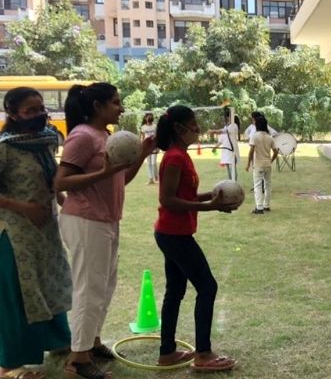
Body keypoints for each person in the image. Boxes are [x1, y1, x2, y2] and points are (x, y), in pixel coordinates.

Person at [55, 82, 156, 379]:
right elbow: (60, 182)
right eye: (115, 102)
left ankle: (92, 342)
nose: (121, 108)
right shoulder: (82, 136)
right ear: (97, 107)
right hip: (85, 221)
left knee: (105, 286)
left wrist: (143, 154)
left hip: (106, 220)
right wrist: (104, 172)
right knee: (89, 289)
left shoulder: (105, 136)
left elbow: (118, 180)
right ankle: (77, 360)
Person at [154, 105, 238, 371]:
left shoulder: (181, 156)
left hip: (174, 233)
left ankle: (167, 352)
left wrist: (213, 197)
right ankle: (203, 354)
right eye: (193, 125)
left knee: (175, 291)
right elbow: (167, 200)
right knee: (207, 287)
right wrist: (210, 207)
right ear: (179, 128)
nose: (198, 129)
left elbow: (185, 197)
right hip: (173, 235)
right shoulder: (175, 158)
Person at [0, 87, 72, 379]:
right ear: (13, 114)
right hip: (15, 233)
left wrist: (63, 200)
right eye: (30, 110)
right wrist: (24, 208)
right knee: (19, 294)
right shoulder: (4, 147)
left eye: (41, 108)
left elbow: (50, 180)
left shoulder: (45, 141)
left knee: (50, 284)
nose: (39, 114)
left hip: (46, 229)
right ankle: (9, 364)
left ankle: (57, 341)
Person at [245, 116, 278, 214]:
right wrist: (271, 161)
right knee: (268, 185)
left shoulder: (255, 136)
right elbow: (276, 152)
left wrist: (248, 164)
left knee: (258, 186)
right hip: (268, 164)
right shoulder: (269, 137)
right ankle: (266, 205)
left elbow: (251, 152)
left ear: (257, 125)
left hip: (258, 164)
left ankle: (259, 207)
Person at [212, 107, 239, 181]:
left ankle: (234, 184)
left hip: (232, 151)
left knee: (232, 169)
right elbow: (221, 140)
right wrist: (215, 147)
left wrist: (213, 131)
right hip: (226, 151)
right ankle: (230, 183)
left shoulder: (234, 126)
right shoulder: (226, 126)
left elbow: (223, 131)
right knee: (228, 169)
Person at [141, 112, 158, 185]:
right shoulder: (143, 127)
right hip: (146, 146)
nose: (150, 117)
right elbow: (142, 137)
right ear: (145, 118)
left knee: (153, 163)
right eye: (148, 116)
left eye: (151, 116)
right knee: (149, 163)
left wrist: (157, 147)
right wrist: (142, 146)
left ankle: (156, 177)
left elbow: (157, 136)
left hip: (154, 146)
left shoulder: (155, 126)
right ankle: (150, 179)